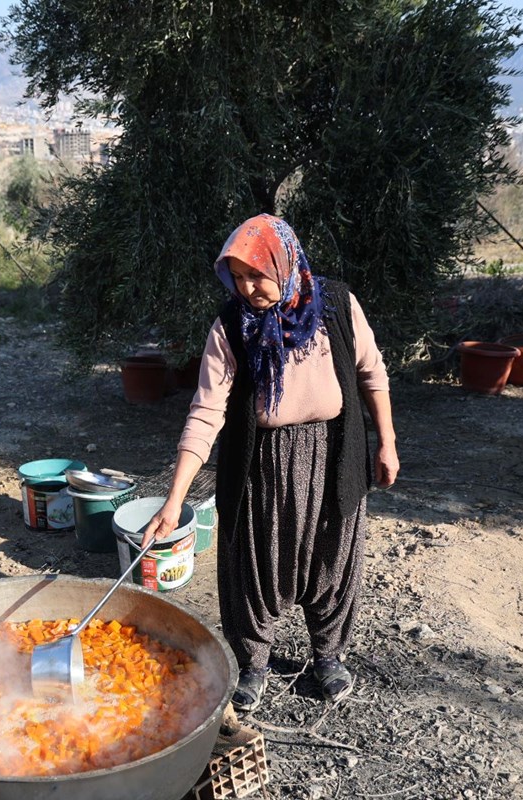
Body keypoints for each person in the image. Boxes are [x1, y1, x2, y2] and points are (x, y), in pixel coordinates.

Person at [142, 213, 399, 713]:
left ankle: (327, 656)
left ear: (285, 263)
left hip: (334, 451)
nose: (248, 287)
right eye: (237, 276)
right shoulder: (231, 327)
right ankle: (253, 664)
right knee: (256, 566)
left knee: (333, 558)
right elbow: (206, 412)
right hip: (264, 462)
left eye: (257, 274)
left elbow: (372, 373)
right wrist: (174, 502)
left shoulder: (338, 306)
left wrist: (386, 442)